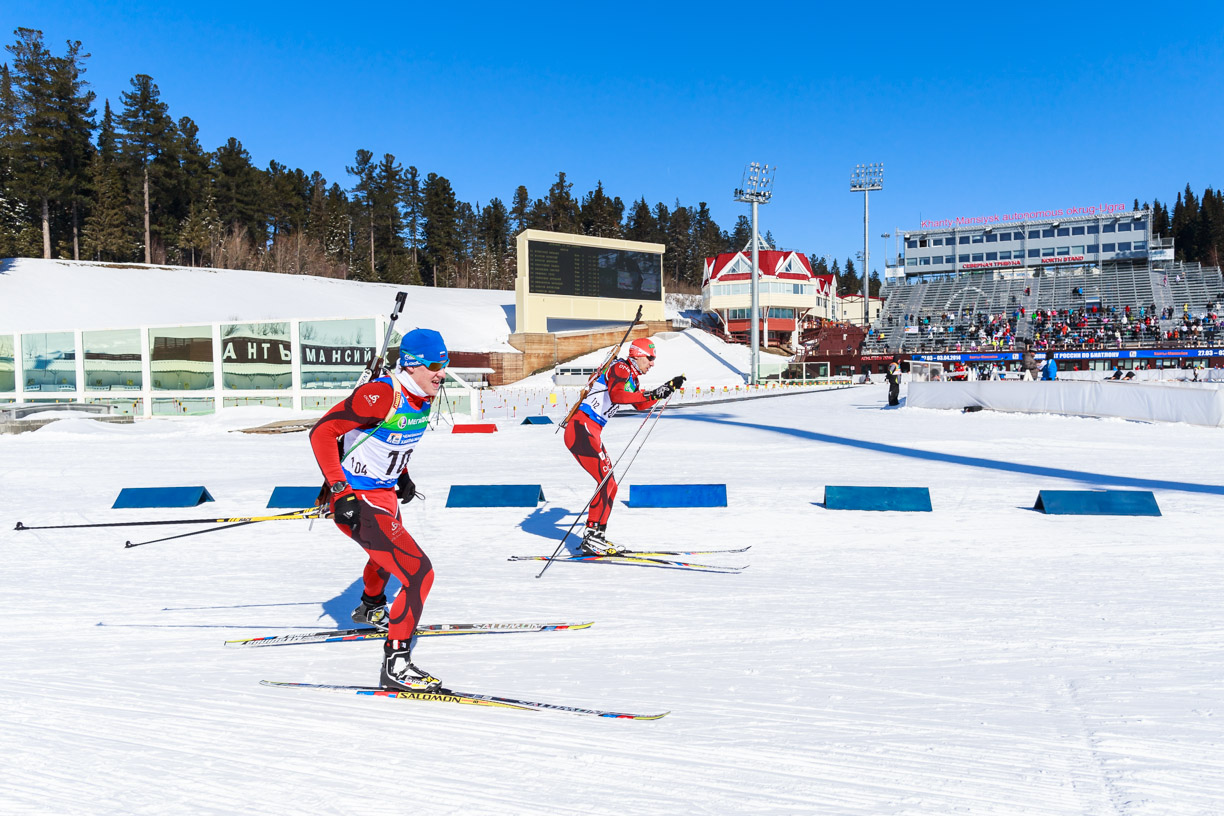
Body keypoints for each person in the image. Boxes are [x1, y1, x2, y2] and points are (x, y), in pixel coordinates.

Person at [308, 328, 448, 692]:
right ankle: (397, 665)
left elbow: (384, 439)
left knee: (383, 557)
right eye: (435, 364)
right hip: (358, 497)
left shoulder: (422, 395)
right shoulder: (382, 393)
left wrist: (402, 475)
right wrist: (339, 492)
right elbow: (322, 433)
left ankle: (371, 607)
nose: (442, 372)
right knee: (419, 573)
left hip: (384, 494)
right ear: (412, 365)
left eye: (445, 363)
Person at [564, 337, 684, 555]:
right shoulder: (620, 367)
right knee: (605, 482)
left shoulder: (632, 378)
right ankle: (591, 536)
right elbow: (617, 395)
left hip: (591, 430)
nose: (652, 363)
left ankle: (597, 535)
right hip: (581, 428)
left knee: (611, 485)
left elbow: (639, 403)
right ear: (637, 355)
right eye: (650, 358)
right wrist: (653, 394)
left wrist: (663, 390)